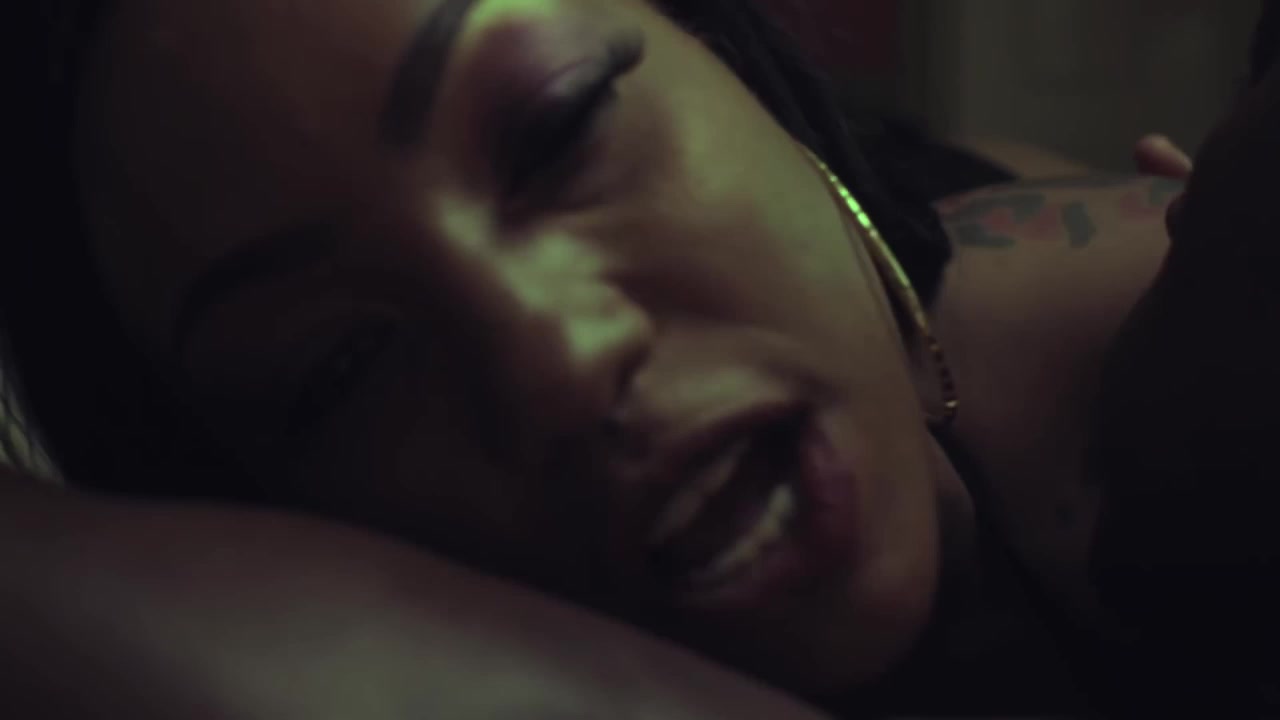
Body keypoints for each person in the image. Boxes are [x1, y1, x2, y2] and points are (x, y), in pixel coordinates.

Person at [4, 0, 1271, 715]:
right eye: (336, 368)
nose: (557, 359)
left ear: (721, 56)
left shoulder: (1167, 342)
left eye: (554, 131)